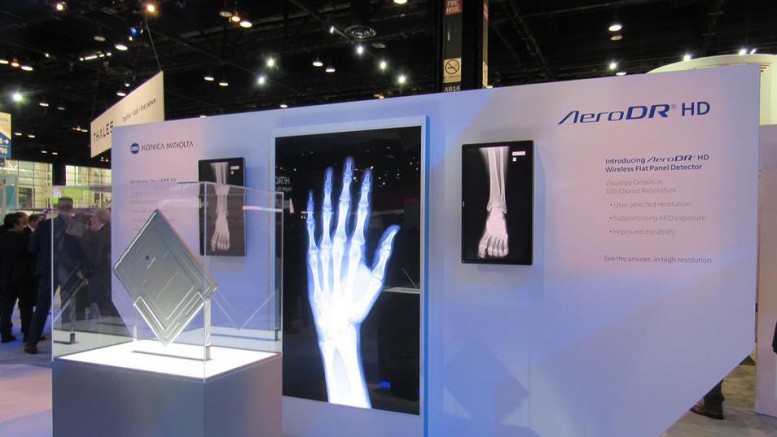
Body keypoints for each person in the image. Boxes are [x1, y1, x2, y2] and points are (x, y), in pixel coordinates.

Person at [25, 198, 74, 354]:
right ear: (71, 208)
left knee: (42, 306)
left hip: (47, 270)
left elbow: (32, 248)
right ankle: (67, 341)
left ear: (57, 207)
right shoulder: (74, 225)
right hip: (68, 270)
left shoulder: (44, 225)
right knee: (67, 306)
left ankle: (31, 342)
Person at [0, 213, 34, 343]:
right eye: (21, 224)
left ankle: (5, 333)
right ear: (15, 224)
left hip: (6, 277)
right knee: (26, 306)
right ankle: (28, 333)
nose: (23, 226)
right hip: (23, 277)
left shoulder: (2, 239)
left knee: (6, 307)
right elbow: (31, 255)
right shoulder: (24, 239)